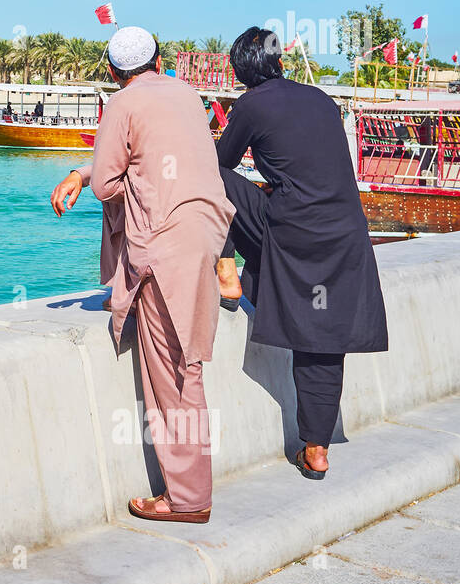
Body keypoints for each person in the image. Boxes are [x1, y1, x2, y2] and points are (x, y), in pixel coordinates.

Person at [50, 26, 234, 524]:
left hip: (164, 243)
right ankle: (190, 491)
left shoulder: (122, 105)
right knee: (189, 361)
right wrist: (82, 171)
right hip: (204, 234)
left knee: (175, 372)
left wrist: (84, 175)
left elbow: (109, 183)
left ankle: (188, 499)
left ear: (113, 71)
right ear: (159, 60)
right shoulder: (188, 94)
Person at [215, 28, 388, 480]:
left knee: (208, 178)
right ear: (278, 63)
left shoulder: (251, 104)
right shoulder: (320, 98)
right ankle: (317, 449)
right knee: (324, 340)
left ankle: (227, 270)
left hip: (295, 233)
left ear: (242, 69)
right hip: (347, 232)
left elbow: (221, 163)